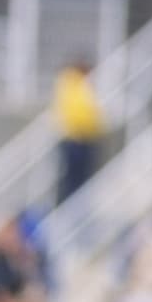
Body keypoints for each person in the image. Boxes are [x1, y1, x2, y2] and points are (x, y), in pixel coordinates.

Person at [51, 55, 105, 206]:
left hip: (81, 137)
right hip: (77, 138)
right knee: (74, 179)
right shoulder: (74, 84)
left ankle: (75, 206)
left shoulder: (74, 84)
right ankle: (71, 206)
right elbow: (79, 113)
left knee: (78, 179)